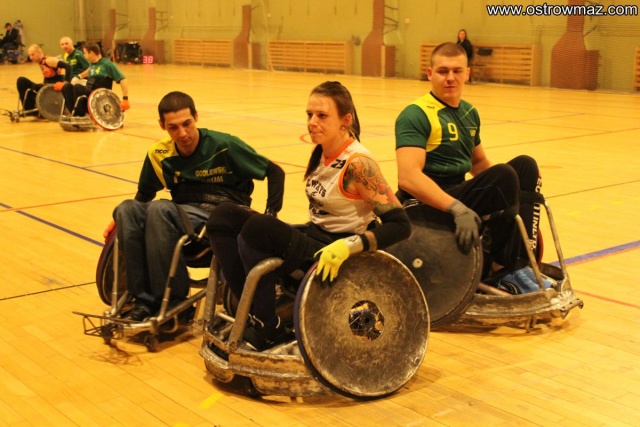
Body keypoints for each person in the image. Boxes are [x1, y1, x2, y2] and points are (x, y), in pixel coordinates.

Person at [206, 81, 411, 351]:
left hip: (336, 254)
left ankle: (268, 328)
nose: (312, 122)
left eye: (322, 115)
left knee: (259, 228)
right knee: (223, 216)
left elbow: (400, 225)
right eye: (309, 115)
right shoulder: (322, 151)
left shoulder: (359, 164)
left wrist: (350, 245)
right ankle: (251, 311)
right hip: (313, 238)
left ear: (345, 120)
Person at [107, 91, 285, 323]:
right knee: (125, 209)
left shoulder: (225, 145)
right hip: (181, 213)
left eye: (187, 124)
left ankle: (175, 303)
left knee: (160, 209)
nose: (182, 133)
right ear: (162, 125)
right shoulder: (159, 154)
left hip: (222, 214)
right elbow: (144, 195)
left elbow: (275, 172)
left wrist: (270, 216)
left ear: (196, 117)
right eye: (173, 128)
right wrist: (118, 222)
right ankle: (143, 301)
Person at [395, 42, 550, 294]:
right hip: (426, 203)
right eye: (443, 71)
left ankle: (523, 263)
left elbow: (478, 164)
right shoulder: (416, 114)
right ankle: (502, 269)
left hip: (459, 190)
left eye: (457, 71)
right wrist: (457, 208)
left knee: (524, 166)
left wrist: (513, 188)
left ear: (467, 73)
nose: (450, 77)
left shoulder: (469, 113)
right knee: (504, 175)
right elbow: (408, 178)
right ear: (430, 74)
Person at [54, 42, 129, 116]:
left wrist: (125, 99)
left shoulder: (107, 64)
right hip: (90, 93)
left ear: (91, 53)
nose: (83, 55)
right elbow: (90, 70)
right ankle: (74, 113)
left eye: (85, 53)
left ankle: (80, 114)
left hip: (100, 96)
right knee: (66, 87)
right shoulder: (92, 64)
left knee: (78, 87)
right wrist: (79, 76)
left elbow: (123, 79)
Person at [16, 44, 71, 116]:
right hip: (47, 88)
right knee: (22, 82)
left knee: (22, 81)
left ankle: (29, 110)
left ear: (39, 52)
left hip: (53, 89)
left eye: (32, 55)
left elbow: (68, 67)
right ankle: (29, 109)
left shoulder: (48, 60)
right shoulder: (41, 62)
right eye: (30, 55)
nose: (30, 57)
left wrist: (65, 82)